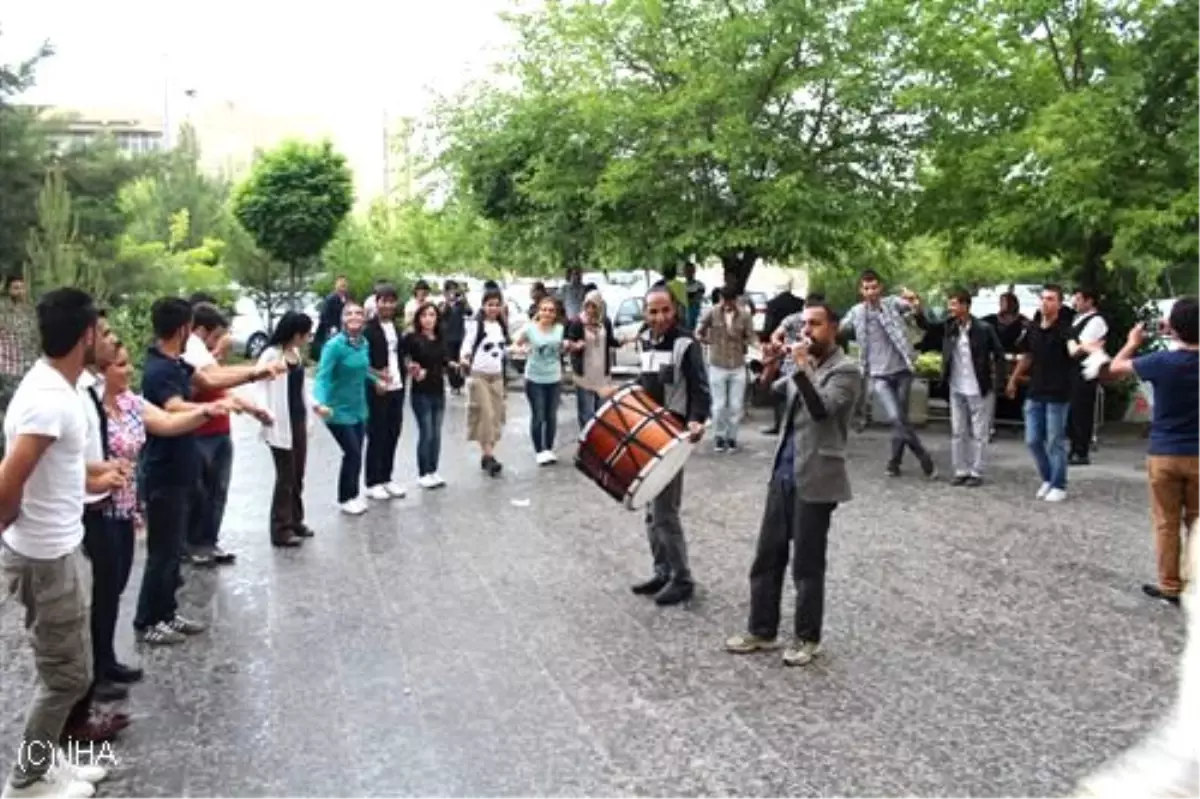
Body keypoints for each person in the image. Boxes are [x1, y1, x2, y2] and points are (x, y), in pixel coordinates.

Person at [0, 288, 115, 797]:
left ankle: (48, 762)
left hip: (58, 549)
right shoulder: (49, 400)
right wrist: (10, 524)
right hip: (47, 559)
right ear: (86, 334)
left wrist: (96, 475)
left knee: (68, 668)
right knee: (66, 679)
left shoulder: (53, 386)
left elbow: (57, 466)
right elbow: (8, 482)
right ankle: (27, 778)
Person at [724, 302, 862, 666]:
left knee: (807, 564)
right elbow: (770, 393)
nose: (808, 331)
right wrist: (770, 363)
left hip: (817, 477)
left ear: (833, 327)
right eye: (805, 324)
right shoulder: (808, 365)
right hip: (783, 473)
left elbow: (821, 410)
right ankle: (762, 629)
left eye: (816, 324)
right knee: (767, 556)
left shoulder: (846, 370)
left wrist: (801, 367)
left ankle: (807, 637)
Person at [134, 298, 250, 646]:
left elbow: (209, 376)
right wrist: (211, 408)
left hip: (180, 470)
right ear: (184, 328)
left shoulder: (177, 363)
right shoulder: (158, 370)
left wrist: (256, 373)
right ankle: (148, 619)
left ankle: (167, 613)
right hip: (164, 473)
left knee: (173, 553)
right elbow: (172, 408)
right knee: (163, 553)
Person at [603, 288, 710, 606]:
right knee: (651, 512)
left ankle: (682, 578)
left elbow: (700, 388)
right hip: (649, 433)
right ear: (645, 313)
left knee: (665, 512)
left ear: (674, 310)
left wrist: (696, 420)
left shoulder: (686, 343)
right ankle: (662, 571)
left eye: (665, 310)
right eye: (652, 311)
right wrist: (623, 392)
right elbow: (648, 384)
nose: (659, 317)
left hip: (672, 436)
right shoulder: (646, 339)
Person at [1089, 297, 1200, 606]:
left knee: (1165, 521)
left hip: (1165, 450)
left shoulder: (1161, 363)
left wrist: (1131, 342)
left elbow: (1114, 369)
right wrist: (1179, 331)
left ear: (1175, 328)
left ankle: (1169, 585)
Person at [183, 302, 275, 567]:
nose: (219, 342)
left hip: (220, 429)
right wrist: (254, 373)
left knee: (217, 490)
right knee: (198, 492)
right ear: (200, 331)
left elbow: (223, 389)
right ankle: (192, 544)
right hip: (199, 431)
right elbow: (203, 386)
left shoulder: (206, 355)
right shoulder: (190, 353)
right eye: (214, 336)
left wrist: (253, 409)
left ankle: (208, 541)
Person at [840, 270, 935, 479]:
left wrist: (915, 300)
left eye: (874, 287)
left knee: (900, 418)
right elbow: (838, 328)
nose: (870, 292)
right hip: (878, 373)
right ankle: (921, 454)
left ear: (880, 288)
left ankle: (894, 462)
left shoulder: (891, 304)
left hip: (901, 369)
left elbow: (914, 308)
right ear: (861, 290)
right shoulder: (857, 312)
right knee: (895, 417)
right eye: (866, 288)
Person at [257, 312, 326, 547]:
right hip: (279, 420)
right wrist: (264, 411)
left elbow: (301, 388)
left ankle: (296, 519)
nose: (307, 339)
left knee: (298, 473)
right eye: (306, 334)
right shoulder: (271, 354)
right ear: (296, 333)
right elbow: (260, 387)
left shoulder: (294, 353)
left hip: (297, 418)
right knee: (285, 475)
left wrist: (315, 406)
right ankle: (280, 527)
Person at [1006, 285, 1076, 502]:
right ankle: (1048, 478)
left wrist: (1084, 349)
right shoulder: (1033, 329)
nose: (1045, 302)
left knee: (1055, 440)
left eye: (1051, 299)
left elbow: (1074, 350)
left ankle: (1059, 484)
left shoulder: (1066, 330)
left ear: (1059, 303)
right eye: (1043, 298)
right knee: (1032, 439)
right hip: (1036, 390)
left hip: (1058, 392)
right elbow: (1027, 356)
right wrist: (1013, 379)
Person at [314, 302, 381, 515]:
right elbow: (322, 376)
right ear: (343, 319)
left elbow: (362, 370)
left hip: (358, 408)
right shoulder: (334, 346)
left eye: (358, 313)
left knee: (357, 452)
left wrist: (376, 380)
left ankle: (353, 494)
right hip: (336, 409)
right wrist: (319, 402)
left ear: (364, 319)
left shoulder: (363, 343)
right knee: (351, 452)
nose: (354, 316)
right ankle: (344, 497)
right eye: (349, 313)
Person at [941, 290, 1007, 486]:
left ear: (965, 306)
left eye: (954, 304)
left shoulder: (983, 329)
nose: (950, 308)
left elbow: (999, 354)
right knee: (958, 430)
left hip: (979, 385)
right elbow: (930, 329)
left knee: (979, 432)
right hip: (956, 384)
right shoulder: (950, 327)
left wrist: (998, 382)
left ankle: (976, 471)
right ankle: (960, 469)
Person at [696, 287, 755, 452]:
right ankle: (719, 436)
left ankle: (732, 437)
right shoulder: (712, 312)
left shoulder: (744, 315)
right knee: (719, 405)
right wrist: (706, 340)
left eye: (730, 301)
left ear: (735, 300)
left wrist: (757, 346)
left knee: (736, 405)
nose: (727, 304)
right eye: (724, 300)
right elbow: (699, 330)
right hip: (717, 363)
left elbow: (751, 335)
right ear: (721, 299)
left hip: (737, 363)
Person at [363, 284, 408, 501]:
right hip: (377, 388)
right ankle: (372, 481)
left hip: (397, 385)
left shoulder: (396, 327)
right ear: (376, 302)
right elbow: (362, 362)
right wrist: (374, 380)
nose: (388, 305)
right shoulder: (368, 329)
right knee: (376, 433)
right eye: (384, 301)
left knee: (393, 432)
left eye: (391, 301)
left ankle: (387, 477)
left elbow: (400, 355)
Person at [460, 288, 510, 477]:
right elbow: (467, 345)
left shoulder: (500, 326)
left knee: (497, 416)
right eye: (490, 304)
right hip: (479, 375)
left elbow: (504, 349)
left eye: (497, 305)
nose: (493, 308)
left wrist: (515, 350)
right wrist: (464, 358)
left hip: (496, 376)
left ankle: (487, 455)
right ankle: (488, 456)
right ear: (483, 305)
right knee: (485, 415)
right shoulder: (476, 325)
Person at [405, 302, 453, 489]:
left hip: (438, 389)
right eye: (424, 315)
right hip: (421, 392)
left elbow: (444, 360)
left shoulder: (440, 338)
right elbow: (404, 357)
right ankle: (423, 472)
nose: (428, 319)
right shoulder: (412, 338)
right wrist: (412, 368)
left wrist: (454, 365)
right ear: (418, 318)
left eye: (432, 315)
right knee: (426, 432)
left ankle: (433, 470)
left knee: (437, 433)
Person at [513, 296, 566, 465]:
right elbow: (516, 342)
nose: (547, 313)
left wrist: (566, 347)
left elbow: (563, 347)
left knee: (551, 416)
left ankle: (548, 449)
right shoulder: (530, 329)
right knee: (538, 415)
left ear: (555, 313)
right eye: (544, 310)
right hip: (534, 378)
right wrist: (521, 349)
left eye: (551, 310)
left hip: (554, 377)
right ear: (538, 311)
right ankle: (539, 450)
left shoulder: (559, 329)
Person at [1067, 288, 1108, 465]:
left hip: (1086, 369)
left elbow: (1081, 347)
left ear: (1089, 301)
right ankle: (1074, 446)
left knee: (1081, 410)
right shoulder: (1078, 319)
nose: (1075, 303)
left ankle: (1081, 450)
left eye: (1079, 299)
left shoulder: (1096, 321)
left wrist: (1071, 342)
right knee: (1072, 410)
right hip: (1073, 369)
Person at [564, 290, 616, 429]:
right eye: (587, 306)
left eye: (594, 306)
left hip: (601, 374)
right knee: (586, 413)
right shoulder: (577, 322)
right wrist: (575, 345)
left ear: (600, 306)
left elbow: (610, 341)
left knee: (602, 412)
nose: (590, 310)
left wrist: (624, 340)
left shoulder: (605, 321)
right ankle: (586, 441)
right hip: (584, 373)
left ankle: (600, 442)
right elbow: (568, 343)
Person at [438, 281, 471, 395]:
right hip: (448, 337)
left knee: (460, 359)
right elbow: (441, 314)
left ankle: (460, 383)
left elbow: (469, 312)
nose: (452, 292)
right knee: (451, 361)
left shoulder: (460, 304)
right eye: (450, 290)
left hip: (460, 335)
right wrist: (448, 301)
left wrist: (464, 297)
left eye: (454, 290)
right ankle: (453, 384)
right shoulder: (443, 304)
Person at [314, 274, 349, 359]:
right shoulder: (331, 298)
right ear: (336, 285)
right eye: (341, 285)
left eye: (344, 285)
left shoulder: (346, 298)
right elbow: (324, 315)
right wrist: (331, 327)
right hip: (331, 329)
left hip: (342, 328)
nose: (343, 288)